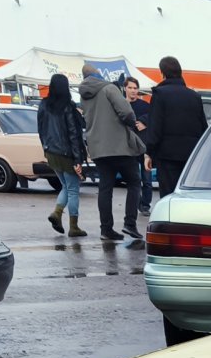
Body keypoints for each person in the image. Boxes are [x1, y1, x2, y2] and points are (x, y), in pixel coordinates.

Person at [78, 62, 146, 241]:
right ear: (99, 74)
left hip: (98, 147)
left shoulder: (84, 95)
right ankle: (130, 224)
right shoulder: (109, 88)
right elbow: (126, 112)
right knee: (134, 182)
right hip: (119, 146)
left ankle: (106, 229)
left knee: (105, 188)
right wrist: (134, 125)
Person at [143, 55, 207, 199]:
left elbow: (155, 128)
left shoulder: (160, 94)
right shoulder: (194, 97)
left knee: (169, 197)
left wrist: (149, 153)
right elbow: (203, 126)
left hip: (167, 156)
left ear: (162, 73)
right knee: (187, 196)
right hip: (190, 156)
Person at [37, 73, 89, 238]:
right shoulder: (68, 107)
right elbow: (73, 134)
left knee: (66, 186)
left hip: (51, 151)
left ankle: (57, 214)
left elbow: (40, 128)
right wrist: (77, 159)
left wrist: (46, 147)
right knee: (73, 189)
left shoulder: (43, 105)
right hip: (67, 154)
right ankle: (73, 227)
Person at [123, 76, 152, 215]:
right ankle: (136, 202)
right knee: (132, 179)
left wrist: (144, 121)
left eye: (135, 88)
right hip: (128, 147)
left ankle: (145, 205)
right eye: (130, 88)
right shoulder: (121, 104)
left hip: (144, 147)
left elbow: (155, 117)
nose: (133, 91)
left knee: (146, 179)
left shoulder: (145, 106)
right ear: (125, 88)